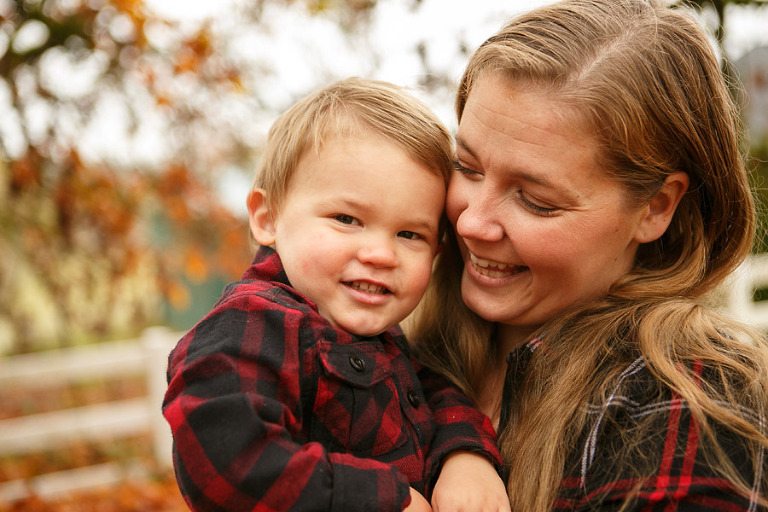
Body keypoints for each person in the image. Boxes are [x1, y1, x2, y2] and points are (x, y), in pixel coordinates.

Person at [409, 0, 768, 510]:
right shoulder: (384, 338)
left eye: (536, 201)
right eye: (465, 166)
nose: (470, 222)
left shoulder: (687, 404)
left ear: (655, 207)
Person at [163, 77, 509, 512]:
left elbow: (437, 394)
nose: (381, 254)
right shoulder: (252, 324)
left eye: (410, 234)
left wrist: (465, 456)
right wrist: (384, 501)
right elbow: (227, 459)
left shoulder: (380, 337)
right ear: (268, 218)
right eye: (347, 218)